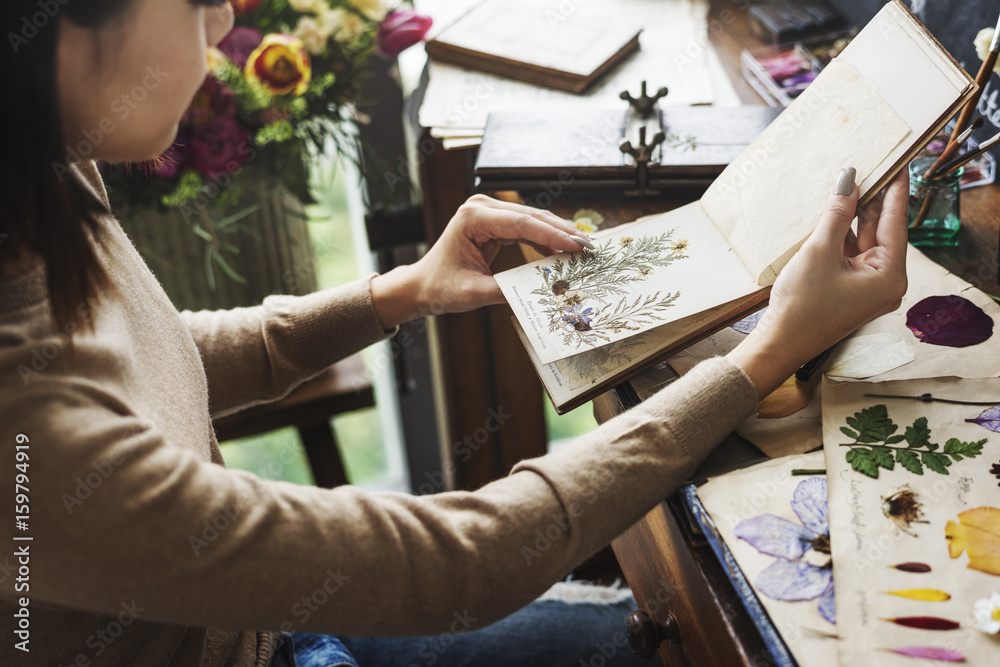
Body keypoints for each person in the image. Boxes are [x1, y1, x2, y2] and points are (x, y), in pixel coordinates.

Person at [0, 1, 908, 666]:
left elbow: (155, 358)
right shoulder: (26, 439)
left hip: (272, 620)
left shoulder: (45, 163)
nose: (225, 16)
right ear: (62, 30)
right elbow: (462, 563)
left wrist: (397, 294)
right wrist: (765, 353)